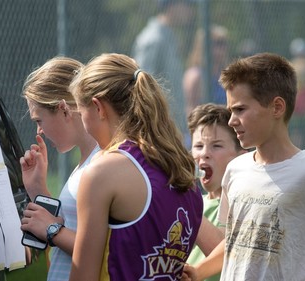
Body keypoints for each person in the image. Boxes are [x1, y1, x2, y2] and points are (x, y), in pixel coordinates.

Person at [182, 52, 305, 281]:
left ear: (277, 107)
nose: (231, 121)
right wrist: (199, 271)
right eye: (230, 112)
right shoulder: (235, 170)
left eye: (240, 110)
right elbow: (236, 240)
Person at [68, 53, 204, 281]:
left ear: (98, 107)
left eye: (81, 114)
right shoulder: (181, 170)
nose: (83, 124)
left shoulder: (102, 173)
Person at [19, 57, 99, 281]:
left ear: (64, 110)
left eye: (40, 120)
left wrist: (53, 230)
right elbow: (70, 228)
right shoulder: (85, 163)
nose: (39, 131)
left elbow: (102, 250)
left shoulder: (102, 165)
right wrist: (38, 189)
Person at [186, 103, 246, 281]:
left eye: (216, 146)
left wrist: (183, 197)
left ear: (240, 157)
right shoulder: (195, 201)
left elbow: (226, 254)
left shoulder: (242, 202)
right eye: (198, 146)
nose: (204, 154)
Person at [131, 0, 198, 135]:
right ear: (172, 5)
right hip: (158, 129)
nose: (191, 11)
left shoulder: (169, 37)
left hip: (172, 126)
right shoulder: (153, 39)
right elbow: (142, 86)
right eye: (187, 5)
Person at [183, 25, 230, 116]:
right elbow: (191, 109)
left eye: (222, 43)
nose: (220, 49)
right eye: (215, 44)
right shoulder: (195, 75)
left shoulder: (227, 74)